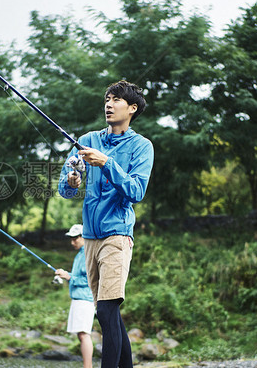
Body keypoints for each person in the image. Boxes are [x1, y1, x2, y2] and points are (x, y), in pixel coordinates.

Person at [58, 80, 154, 368]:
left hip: (117, 235)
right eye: (107, 99)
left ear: (132, 108)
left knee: (108, 309)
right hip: (90, 237)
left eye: (116, 100)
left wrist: (107, 163)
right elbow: (65, 188)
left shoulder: (142, 146)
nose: (109, 104)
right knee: (106, 312)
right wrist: (73, 181)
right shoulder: (88, 139)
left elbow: (136, 191)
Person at [55, 224, 95, 368]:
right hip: (79, 299)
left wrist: (69, 277)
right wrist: (67, 274)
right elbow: (78, 276)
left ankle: (87, 367)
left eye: (75, 238)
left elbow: (90, 280)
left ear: (84, 237)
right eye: (71, 239)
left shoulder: (87, 254)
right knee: (81, 334)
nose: (72, 242)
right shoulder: (80, 254)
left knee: (84, 334)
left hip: (85, 299)